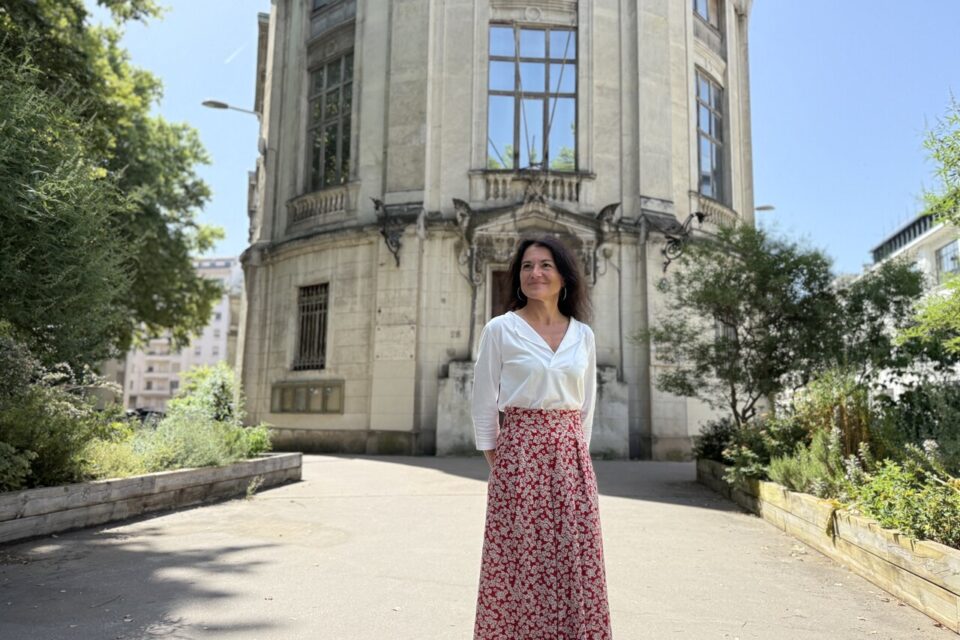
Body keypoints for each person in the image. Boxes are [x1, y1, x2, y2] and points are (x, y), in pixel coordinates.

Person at [472, 235, 612, 639]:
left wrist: (576, 460)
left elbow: (586, 407)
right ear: (518, 277)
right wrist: (501, 464)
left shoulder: (582, 335)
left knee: (574, 558)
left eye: (545, 265)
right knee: (521, 561)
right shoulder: (501, 329)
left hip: (570, 459)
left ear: (564, 276)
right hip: (518, 453)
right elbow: (484, 403)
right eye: (527, 266)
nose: (536, 273)